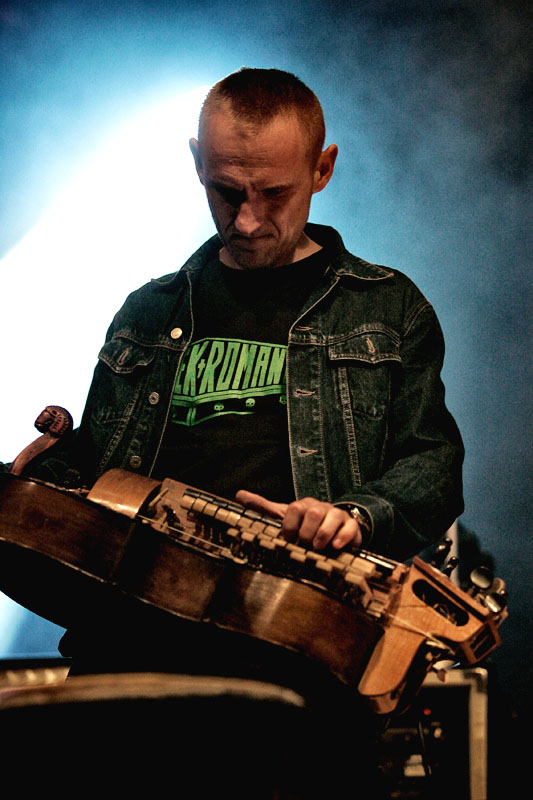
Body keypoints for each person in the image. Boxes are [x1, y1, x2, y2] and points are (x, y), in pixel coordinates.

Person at [4, 68, 464, 797]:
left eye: (273, 194)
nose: (247, 220)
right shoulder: (145, 312)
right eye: (225, 191)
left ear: (322, 168)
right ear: (195, 163)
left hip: (299, 668)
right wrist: (38, 482)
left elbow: (432, 465)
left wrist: (351, 518)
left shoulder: (388, 309)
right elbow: (97, 476)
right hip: (131, 665)